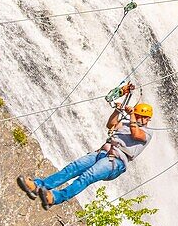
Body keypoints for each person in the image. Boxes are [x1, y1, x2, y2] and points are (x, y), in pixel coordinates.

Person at [17, 89, 153, 209]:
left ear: (147, 119)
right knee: (72, 168)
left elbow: (136, 134)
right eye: (138, 115)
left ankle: (55, 198)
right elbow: (111, 125)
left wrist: (132, 116)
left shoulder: (147, 133)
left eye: (141, 116)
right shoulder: (126, 123)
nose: (138, 118)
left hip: (115, 162)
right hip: (102, 153)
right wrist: (117, 111)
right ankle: (38, 186)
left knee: (87, 176)